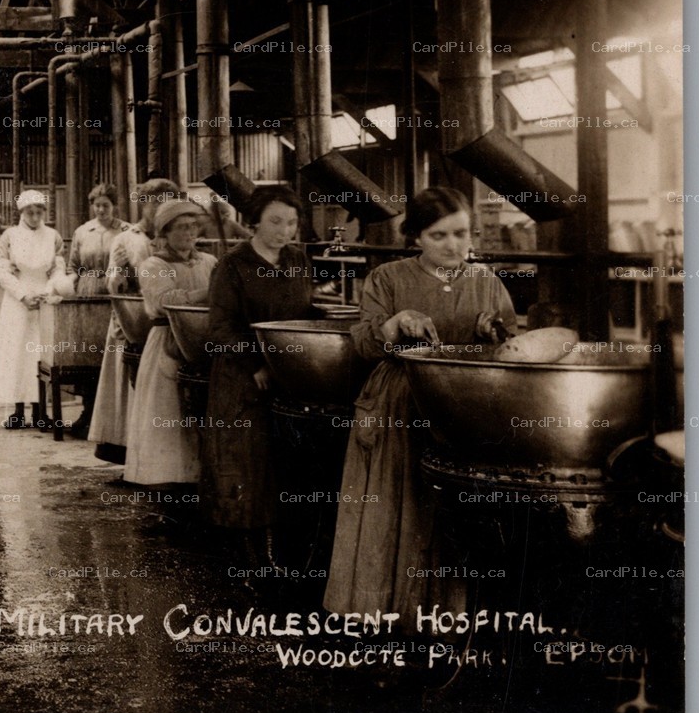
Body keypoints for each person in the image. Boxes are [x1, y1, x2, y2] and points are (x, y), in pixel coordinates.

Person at [325, 187, 516, 621]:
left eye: (461, 234)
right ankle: (383, 614)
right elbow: (362, 343)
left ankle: (446, 616)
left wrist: (494, 333)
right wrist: (394, 323)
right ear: (415, 239)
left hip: (461, 407)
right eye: (439, 235)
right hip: (400, 405)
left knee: (448, 511)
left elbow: (512, 348)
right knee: (399, 506)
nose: (454, 245)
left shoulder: (487, 282)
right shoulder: (387, 278)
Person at [203, 186, 315, 564]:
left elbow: (304, 310)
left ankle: (284, 557)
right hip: (242, 383)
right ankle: (246, 561)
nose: (285, 230)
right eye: (275, 221)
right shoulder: (232, 265)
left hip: (289, 378)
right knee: (246, 468)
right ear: (253, 221)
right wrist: (257, 364)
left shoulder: (299, 259)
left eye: (292, 222)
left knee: (283, 470)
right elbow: (219, 331)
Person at [125, 200, 218, 486]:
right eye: (181, 228)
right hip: (168, 338)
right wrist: (208, 292)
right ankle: (164, 477)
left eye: (193, 227)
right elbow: (164, 301)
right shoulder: (154, 264)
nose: (190, 233)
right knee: (167, 408)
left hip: (203, 342)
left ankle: (198, 474)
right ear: (164, 233)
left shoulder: (210, 262)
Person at [90, 177, 180, 465]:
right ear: (145, 204)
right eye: (156, 202)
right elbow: (113, 279)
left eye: (168, 202)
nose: (161, 208)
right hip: (132, 322)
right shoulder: (128, 238)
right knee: (129, 389)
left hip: (168, 322)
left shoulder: (177, 236)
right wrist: (119, 280)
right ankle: (128, 452)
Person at [0, 190, 70, 429]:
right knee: (15, 353)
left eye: (39, 212)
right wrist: (23, 295)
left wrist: (47, 292)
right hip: (17, 301)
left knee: (39, 355)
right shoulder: (10, 236)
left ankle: (40, 412)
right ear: (21, 212)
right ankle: (17, 411)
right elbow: (2, 271)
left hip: (44, 300)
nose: (35, 217)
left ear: (44, 212)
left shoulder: (53, 236)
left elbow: (58, 269)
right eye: (29, 212)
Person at [63, 183, 125, 437]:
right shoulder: (82, 232)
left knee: (108, 353)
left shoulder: (125, 231)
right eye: (97, 205)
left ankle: (112, 418)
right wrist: (71, 289)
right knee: (87, 354)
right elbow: (72, 266)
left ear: (114, 206)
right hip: (87, 293)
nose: (101, 210)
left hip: (113, 293)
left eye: (106, 206)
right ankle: (87, 413)